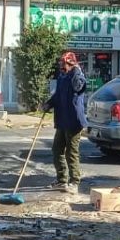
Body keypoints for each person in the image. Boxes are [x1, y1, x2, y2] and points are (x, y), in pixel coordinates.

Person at [41, 51, 88, 194]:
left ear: (71, 64)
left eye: (64, 63)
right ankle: (62, 180)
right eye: (61, 63)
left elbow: (78, 87)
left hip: (74, 121)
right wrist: (48, 104)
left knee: (71, 153)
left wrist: (75, 70)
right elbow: (58, 95)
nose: (61, 66)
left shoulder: (77, 76)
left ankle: (75, 182)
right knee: (57, 150)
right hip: (62, 120)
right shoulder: (62, 77)